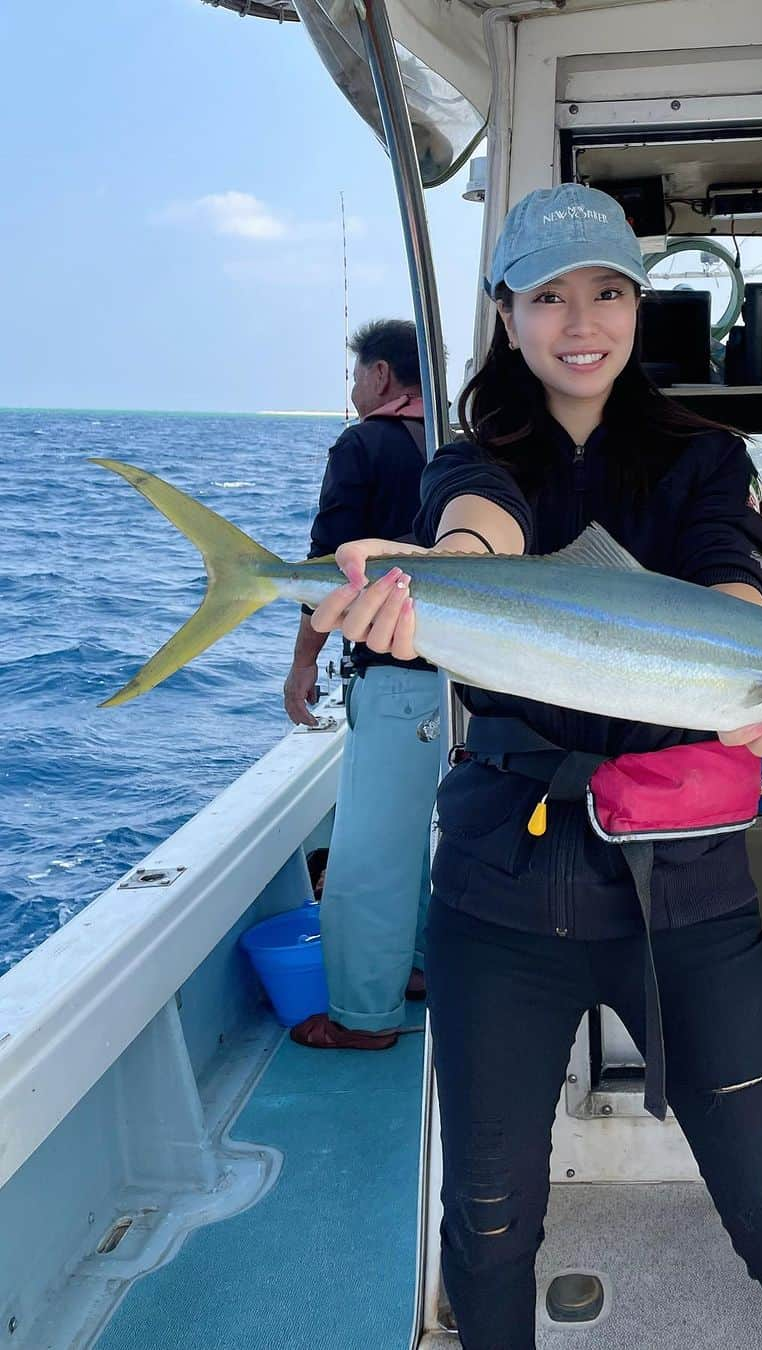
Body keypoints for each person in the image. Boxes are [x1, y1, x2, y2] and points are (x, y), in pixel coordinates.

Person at [311, 185, 762, 1348]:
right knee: (485, 1227)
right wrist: (430, 575)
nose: (584, 320)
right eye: (550, 294)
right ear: (509, 314)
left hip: (685, 894)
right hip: (497, 889)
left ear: (638, 304)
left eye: (610, 291)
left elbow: (735, 577)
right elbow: (482, 532)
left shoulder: (703, 456)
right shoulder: (473, 458)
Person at [287, 319, 440, 1051]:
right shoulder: (458, 447)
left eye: (357, 377)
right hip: (467, 684)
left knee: (367, 857)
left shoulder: (362, 445)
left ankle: (362, 1017)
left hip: (398, 682)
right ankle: (412, 968)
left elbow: (330, 574)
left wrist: (300, 663)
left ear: (381, 376)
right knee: (413, 841)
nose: (354, 392)